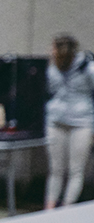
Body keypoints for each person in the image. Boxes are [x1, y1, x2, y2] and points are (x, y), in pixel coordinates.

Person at [44, 33, 94, 209]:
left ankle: (67, 207)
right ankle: (49, 208)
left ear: (60, 50)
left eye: (53, 48)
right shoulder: (53, 67)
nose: (50, 51)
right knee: (56, 169)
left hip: (81, 123)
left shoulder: (87, 67)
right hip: (56, 121)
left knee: (76, 170)